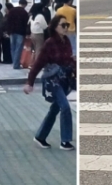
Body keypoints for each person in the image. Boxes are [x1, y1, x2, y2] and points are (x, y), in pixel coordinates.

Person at [23, 15, 75, 151]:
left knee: (55, 109)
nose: (65, 28)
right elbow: (38, 63)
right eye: (63, 25)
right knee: (65, 107)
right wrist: (30, 82)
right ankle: (65, 140)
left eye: (67, 25)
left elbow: (69, 59)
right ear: (55, 27)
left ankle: (40, 136)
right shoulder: (50, 43)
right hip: (53, 80)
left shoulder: (66, 41)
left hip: (65, 80)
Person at [5, 0, 31, 69]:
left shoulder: (12, 10)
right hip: (20, 32)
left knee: (13, 47)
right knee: (18, 48)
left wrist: (8, 31)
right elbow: (26, 24)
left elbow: (8, 21)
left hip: (11, 31)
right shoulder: (24, 13)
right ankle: (16, 64)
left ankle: (14, 62)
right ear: (25, 5)